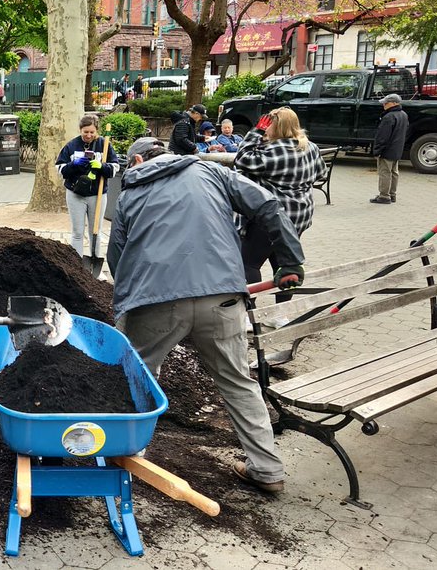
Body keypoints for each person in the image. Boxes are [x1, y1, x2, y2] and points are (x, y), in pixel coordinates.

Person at [108, 137, 306, 494]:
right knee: (237, 381)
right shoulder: (212, 171)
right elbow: (268, 205)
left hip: (157, 299)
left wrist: (124, 308)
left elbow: (117, 258)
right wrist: (289, 260)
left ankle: (130, 453)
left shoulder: (128, 195)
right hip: (223, 296)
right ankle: (267, 469)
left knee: (138, 372)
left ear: (136, 160)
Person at [234, 108, 324, 312]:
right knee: (284, 263)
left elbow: (242, 159)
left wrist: (256, 132)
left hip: (269, 217)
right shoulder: (310, 147)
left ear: (275, 126)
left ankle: (251, 314)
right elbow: (320, 173)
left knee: (249, 264)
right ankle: (281, 314)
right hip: (298, 216)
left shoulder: (273, 151)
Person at [55, 114, 120, 258]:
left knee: (95, 230)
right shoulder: (71, 146)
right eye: (85, 132)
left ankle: (95, 261)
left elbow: (115, 168)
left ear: (97, 131)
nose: (89, 135)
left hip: (97, 195)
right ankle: (77, 264)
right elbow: (60, 169)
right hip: (75, 193)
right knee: (77, 232)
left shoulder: (104, 145)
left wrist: (102, 166)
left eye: (92, 132)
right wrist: (74, 165)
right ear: (80, 130)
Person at [370, 94, 409, 204]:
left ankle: (384, 196)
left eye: (386, 103)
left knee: (385, 172)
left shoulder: (389, 117)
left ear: (393, 103)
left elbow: (382, 136)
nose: (384, 105)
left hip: (387, 150)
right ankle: (392, 194)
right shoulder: (403, 115)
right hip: (397, 149)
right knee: (394, 172)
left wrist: (377, 150)